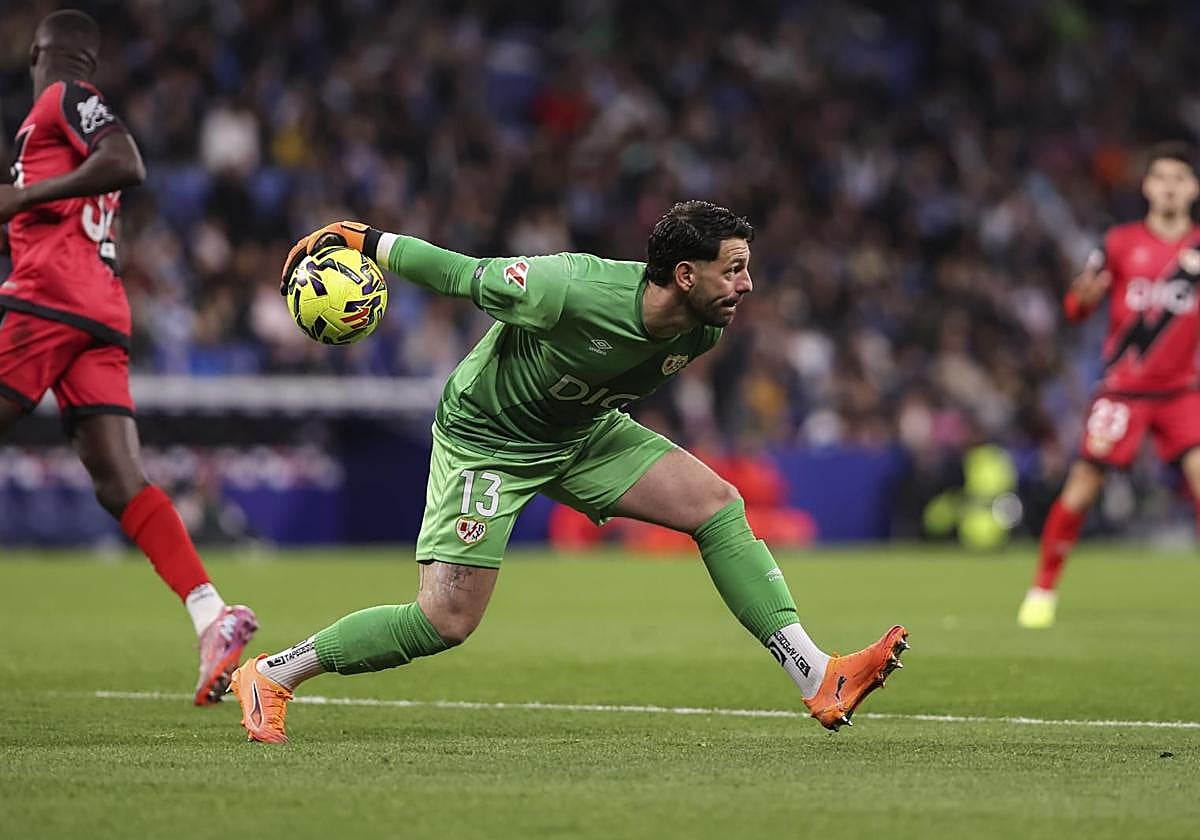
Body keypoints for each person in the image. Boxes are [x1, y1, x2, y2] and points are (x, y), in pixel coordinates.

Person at [229, 201, 907, 743]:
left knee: (717, 504)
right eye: (733, 270)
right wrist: (361, 239)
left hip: (582, 432)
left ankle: (818, 675)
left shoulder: (705, 325)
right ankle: (273, 674)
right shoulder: (567, 288)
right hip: (488, 438)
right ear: (684, 275)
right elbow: (460, 274)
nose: (746, 285)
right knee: (445, 620)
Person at [0, 10, 256, 702]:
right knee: (119, 479)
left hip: (51, 296)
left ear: (40, 53)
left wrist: (21, 196)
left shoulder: (62, 99)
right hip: (95, 308)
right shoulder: (46, 124)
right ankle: (212, 616)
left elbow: (127, 159)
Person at [1019, 142, 1200, 628]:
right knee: (1082, 486)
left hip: (1183, 391)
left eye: (1179, 178)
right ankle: (1043, 589)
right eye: (1160, 177)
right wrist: (1082, 295)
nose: (1168, 187)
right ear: (1146, 186)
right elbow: (1075, 309)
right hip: (1123, 390)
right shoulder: (1120, 242)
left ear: (1193, 188)